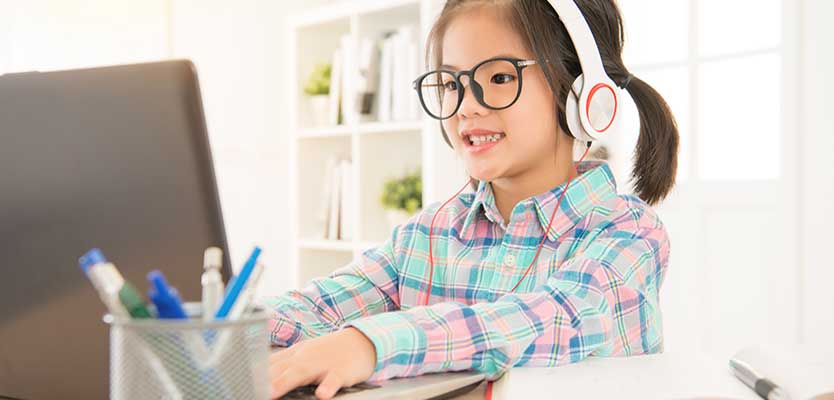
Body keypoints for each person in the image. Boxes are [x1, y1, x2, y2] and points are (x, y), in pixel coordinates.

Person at [267, 1, 679, 398]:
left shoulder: (629, 233)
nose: (466, 106)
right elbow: (317, 308)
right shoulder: (428, 236)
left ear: (582, 93)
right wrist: (224, 327)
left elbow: (556, 318)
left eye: (499, 78)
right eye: (450, 84)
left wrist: (371, 345)